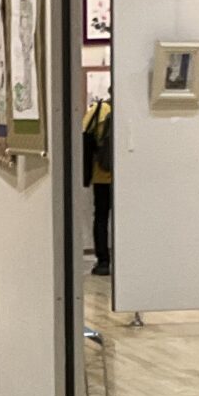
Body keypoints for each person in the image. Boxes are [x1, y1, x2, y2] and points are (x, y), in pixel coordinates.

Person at [82, 90, 114, 276]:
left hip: (102, 173)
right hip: (126, 177)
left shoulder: (99, 109)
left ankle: (103, 261)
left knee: (101, 217)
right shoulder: (128, 111)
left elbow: (85, 136)